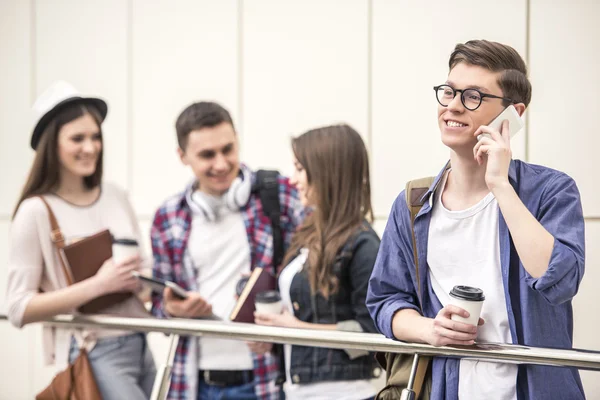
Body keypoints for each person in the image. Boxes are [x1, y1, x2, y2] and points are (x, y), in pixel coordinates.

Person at [366, 39, 586, 399]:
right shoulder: (414, 204)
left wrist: (500, 184)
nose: (453, 106)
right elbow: (384, 301)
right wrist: (428, 329)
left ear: (513, 114)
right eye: (449, 92)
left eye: (473, 96)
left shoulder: (551, 191)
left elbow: (559, 280)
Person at [5, 81, 156, 400]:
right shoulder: (36, 211)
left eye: (95, 137)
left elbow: (140, 281)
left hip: (141, 344)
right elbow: (17, 307)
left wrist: (146, 282)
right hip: (95, 350)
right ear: (52, 145)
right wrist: (100, 285)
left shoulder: (115, 195)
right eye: (78, 138)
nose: (91, 147)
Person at [150, 101, 304, 399]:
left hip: (266, 378)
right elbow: (158, 307)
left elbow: (313, 280)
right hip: (193, 382)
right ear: (182, 156)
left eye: (228, 149)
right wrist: (172, 309)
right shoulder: (167, 217)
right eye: (207, 155)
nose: (221, 164)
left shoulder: (280, 195)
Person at [255, 124, 381, 400]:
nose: (292, 179)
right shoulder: (308, 233)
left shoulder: (363, 244)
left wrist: (295, 329)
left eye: (300, 168)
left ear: (326, 172)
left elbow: (373, 334)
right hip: (297, 389)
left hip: (346, 393)